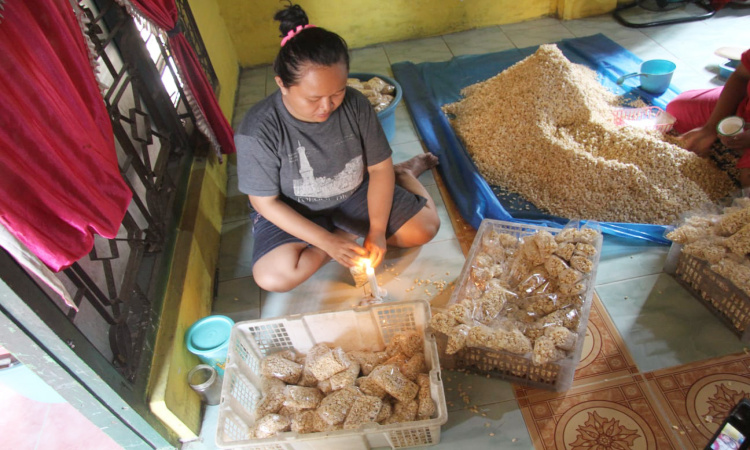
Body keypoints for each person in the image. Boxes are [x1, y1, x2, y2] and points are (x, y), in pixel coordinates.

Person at [234, 3, 440, 293]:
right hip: (294, 206)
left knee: (424, 229)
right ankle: (342, 231)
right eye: (313, 98)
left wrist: (378, 232)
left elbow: (380, 169)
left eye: (337, 92)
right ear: (281, 84)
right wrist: (328, 243)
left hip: (353, 192)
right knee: (273, 278)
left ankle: (406, 173)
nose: (327, 106)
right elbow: (265, 203)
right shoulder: (259, 129)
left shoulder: (355, 105)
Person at [666, 48, 750, 188]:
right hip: (745, 105)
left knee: (747, 182)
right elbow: (741, 76)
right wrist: (711, 127)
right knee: (677, 109)